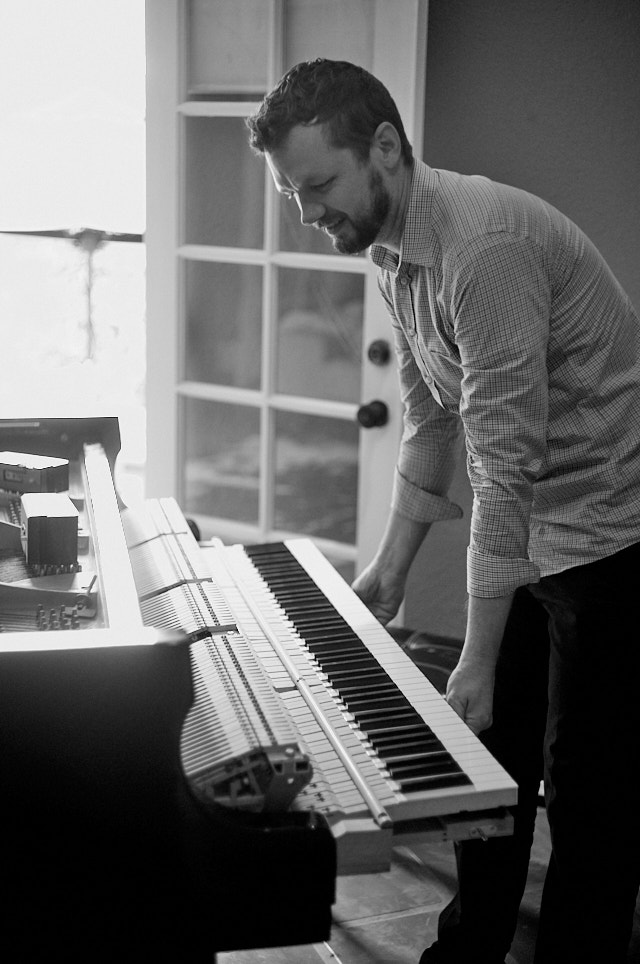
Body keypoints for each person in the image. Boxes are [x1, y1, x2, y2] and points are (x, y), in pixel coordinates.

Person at [246, 59, 640, 964]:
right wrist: (389, 565)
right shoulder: (391, 247)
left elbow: (504, 468)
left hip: (611, 532)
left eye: (318, 186)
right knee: (493, 767)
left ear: (384, 146)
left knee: (588, 793)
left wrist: (477, 653)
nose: (307, 215)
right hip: (532, 521)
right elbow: (432, 413)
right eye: (292, 193)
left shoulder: (482, 250)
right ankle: (470, 950)